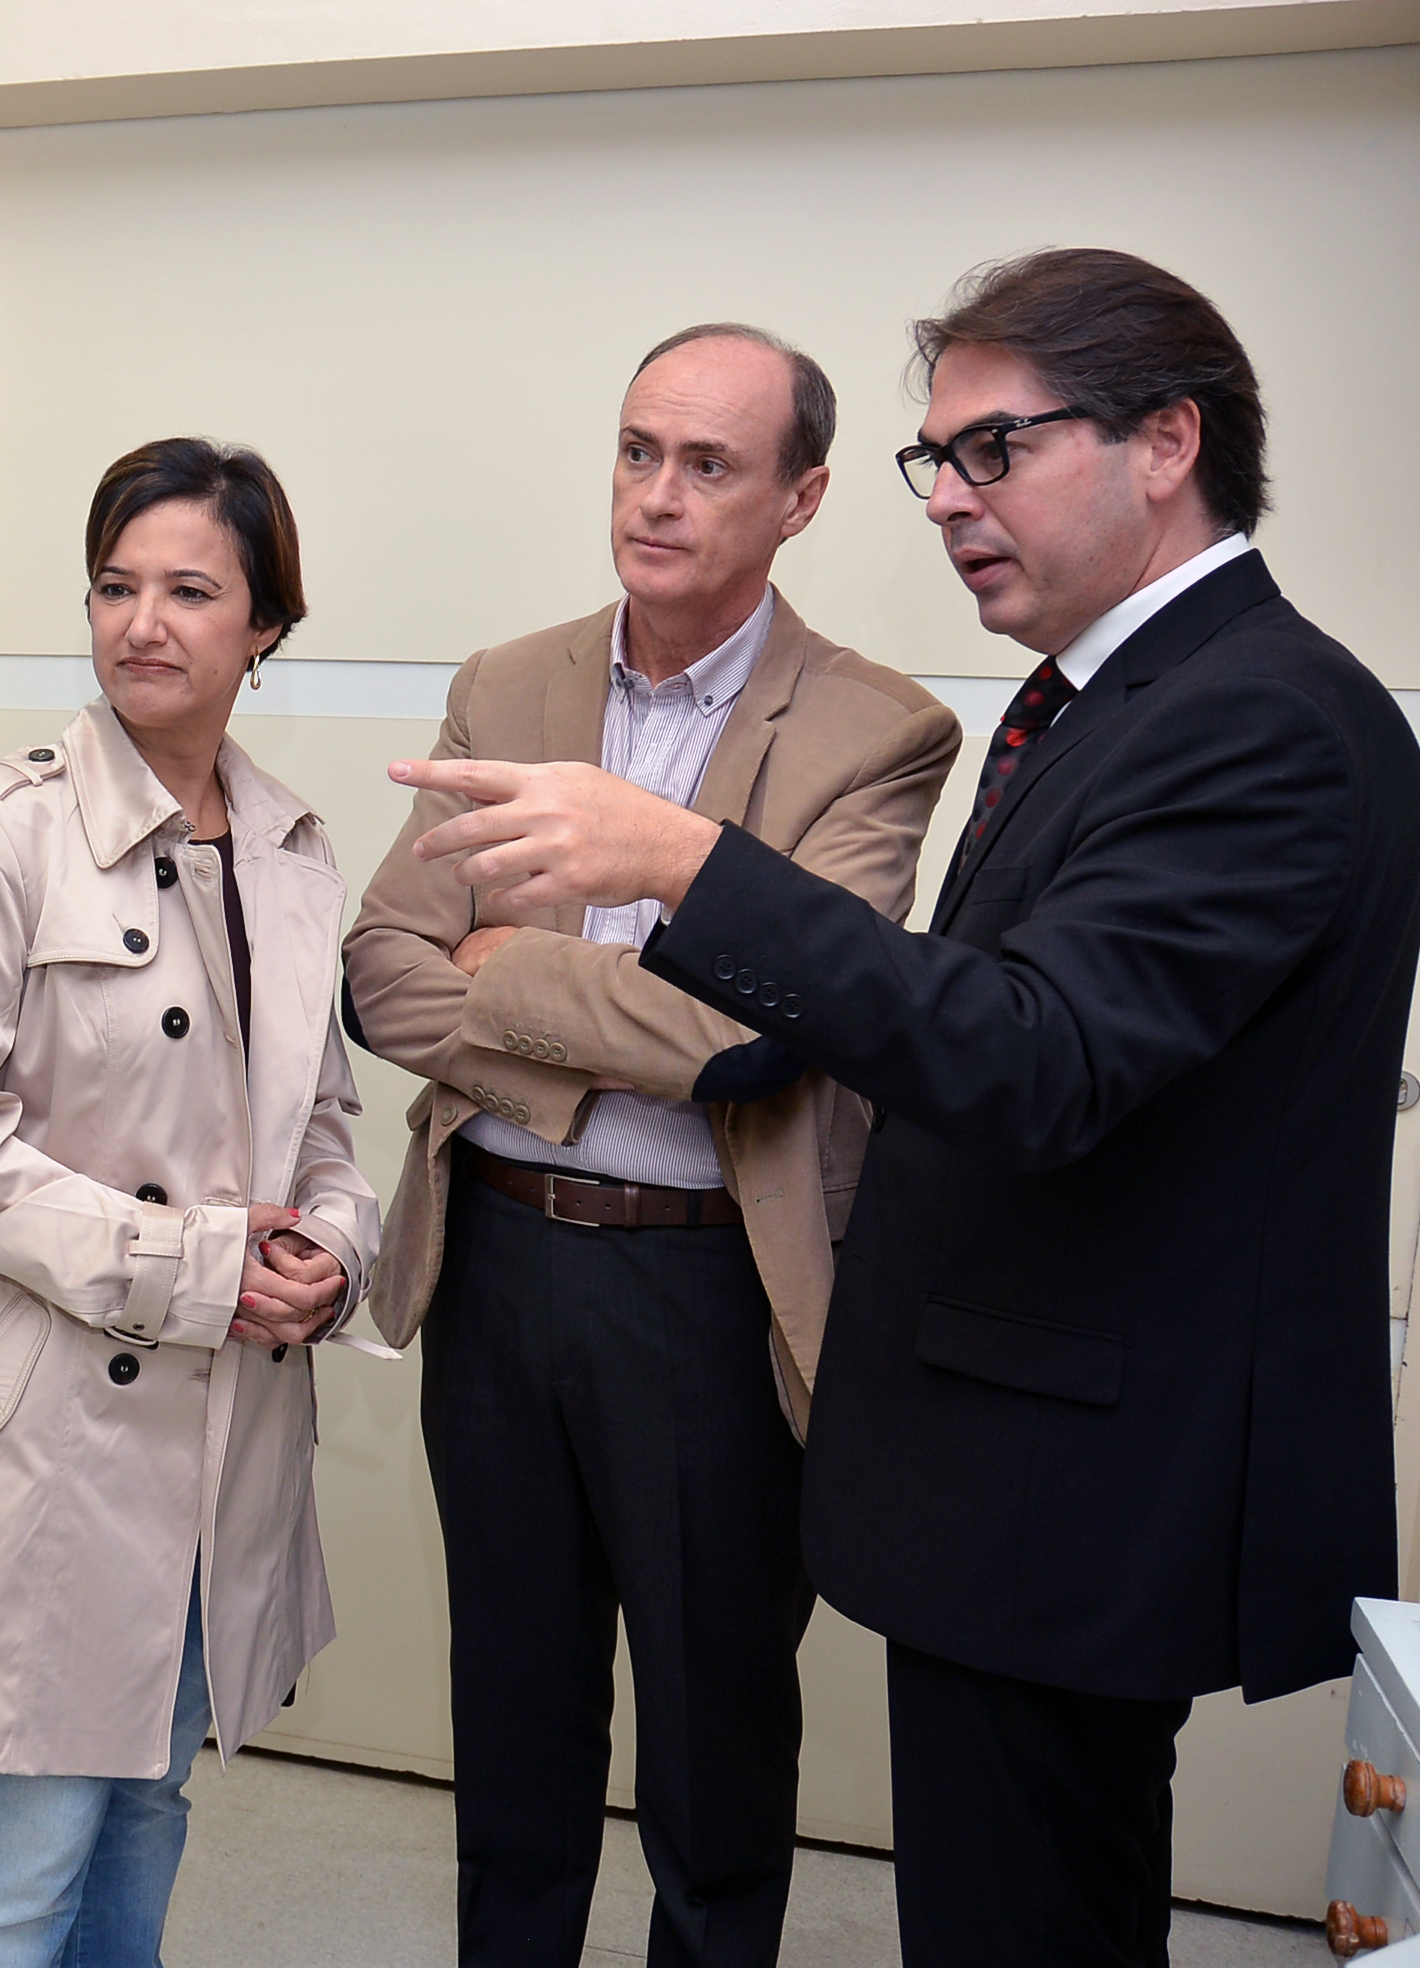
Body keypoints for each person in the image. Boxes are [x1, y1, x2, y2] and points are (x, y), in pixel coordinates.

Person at [394, 249, 1420, 1965]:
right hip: (1006, 1460)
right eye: (933, 458)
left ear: (1165, 441)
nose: (947, 497)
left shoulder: (1258, 717)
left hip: (1071, 1478)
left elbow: (1022, 1056)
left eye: (991, 449)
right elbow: (388, 966)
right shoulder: (1111, 697)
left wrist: (680, 867)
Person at [342, 325, 958, 1967]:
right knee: (512, 1722)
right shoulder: (508, 685)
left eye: (707, 464)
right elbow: (381, 970)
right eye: (636, 452)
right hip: (493, 1264)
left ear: (801, 498)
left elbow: (758, 1035)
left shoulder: (874, 730)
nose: (656, 495)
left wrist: (505, 978)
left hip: (706, 1300)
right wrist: (630, 1013)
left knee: (711, 1749)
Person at [0, 437, 381, 1966]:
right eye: (113, 586)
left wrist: (334, 1254)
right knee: (19, 1865)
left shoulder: (290, 852)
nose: (142, 623)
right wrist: (195, 1266)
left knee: (149, 1812)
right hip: (48, 1432)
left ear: (266, 627)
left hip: (225, 1437)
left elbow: (324, 1125)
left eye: (190, 591)